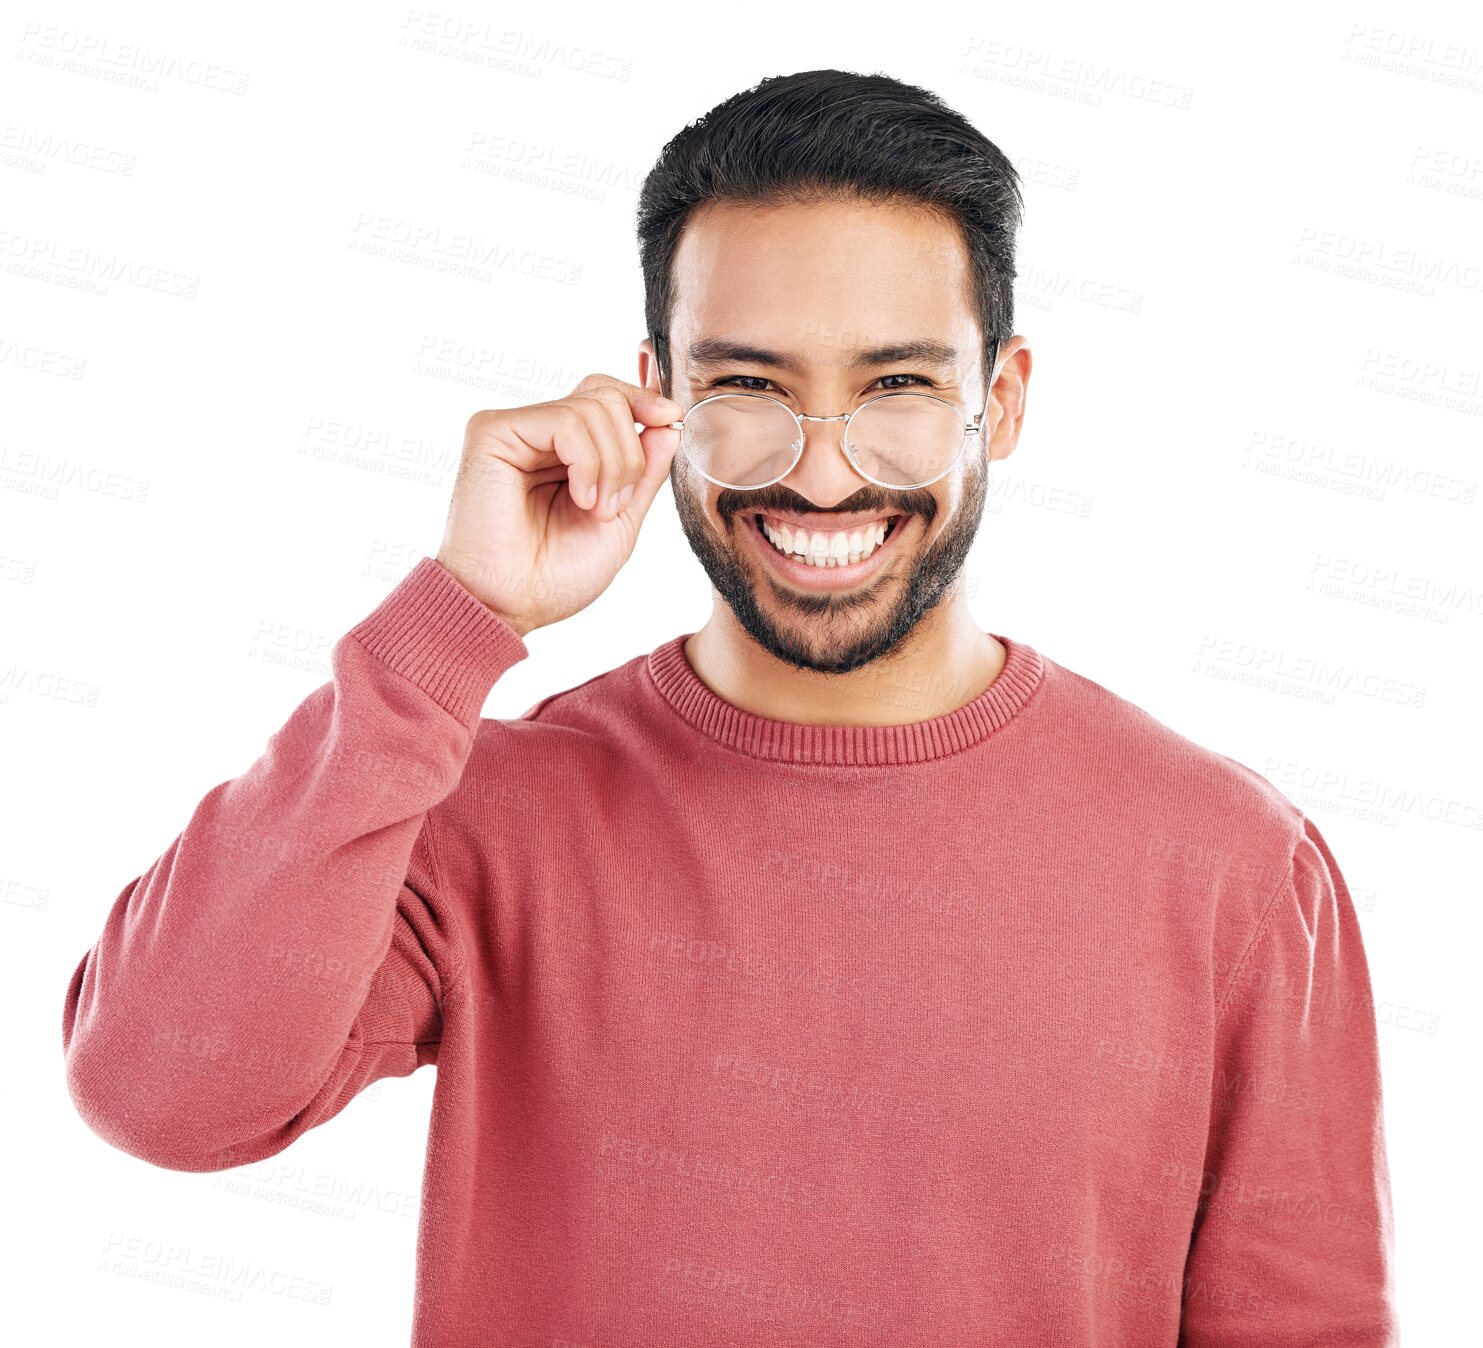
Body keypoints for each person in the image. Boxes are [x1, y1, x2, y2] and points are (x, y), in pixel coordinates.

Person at [62, 68, 1398, 1346]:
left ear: (1002, 397)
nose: (823, 476)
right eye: (750, 388)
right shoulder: (482, 808)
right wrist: (459, 620)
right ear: (658, 397)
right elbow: (158, 1094)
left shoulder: (1235, 867)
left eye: (898, 386)